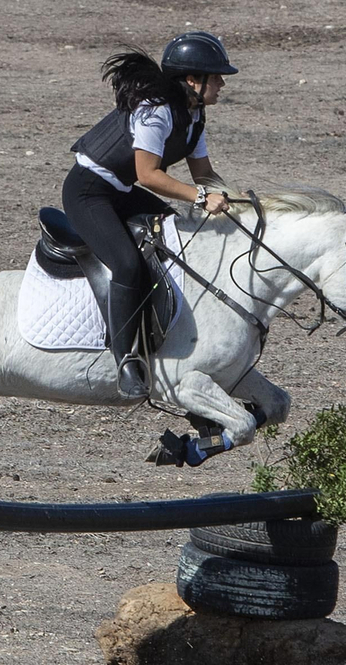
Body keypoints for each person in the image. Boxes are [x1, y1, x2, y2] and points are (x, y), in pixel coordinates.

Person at [63, 32, 238, 400]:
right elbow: (149, 175)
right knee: (127, 265)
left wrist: (232, 199)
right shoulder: (155, 110)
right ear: (193, 80)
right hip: (88, 192)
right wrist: (203, 197)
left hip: (120, 191)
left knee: (172, 231)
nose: (222, 83)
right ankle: (124, 360)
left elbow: (203, 173)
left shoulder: (193, 114)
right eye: (216, 76)